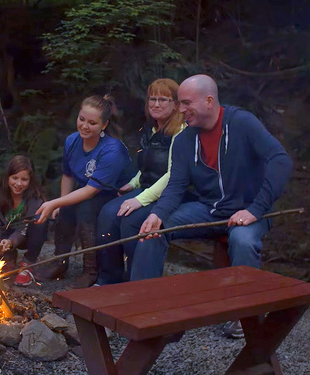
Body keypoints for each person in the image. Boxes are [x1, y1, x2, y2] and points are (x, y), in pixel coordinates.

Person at [132, 74, 293, 338]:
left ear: (209, 101)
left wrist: (255, 209)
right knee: (152, 231)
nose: (181, 110)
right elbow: (176, 184)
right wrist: (157, 213)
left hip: (252, 209)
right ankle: (145, 307)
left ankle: (244, 316)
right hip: (209, 208)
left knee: (243, 241)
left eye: (186, 103)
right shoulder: (185, 140)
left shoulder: (242, 123)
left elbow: (280, 160)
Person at [35, 94, 135, 288]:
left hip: (116, 194)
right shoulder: (72, 141)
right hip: (90, 190)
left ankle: (90, 269)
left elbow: (91, 191)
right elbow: (68, 175)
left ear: (104, 125)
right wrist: (60, 202)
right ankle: (60, 262)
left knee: (85, 208)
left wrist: (55, 202)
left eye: (92, 123)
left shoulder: (112, 150)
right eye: (81, 119)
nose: (84, 126)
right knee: (66, 208)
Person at [96, 78, 188, 285]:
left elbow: (174, 175)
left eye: (163, 99)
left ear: (175, 104)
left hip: (171, 195)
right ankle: (108, 278)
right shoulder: (152, 130)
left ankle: (136, 281)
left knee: (132, 219)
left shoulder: (181, 132)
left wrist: (140, 199)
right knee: (108, 213)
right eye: (152, 99)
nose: (155, 104)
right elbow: (148, 166)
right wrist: (133, 183)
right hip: (147, 189)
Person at [0, 155, 48, 286]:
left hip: (26, 235)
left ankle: (28, 263)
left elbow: (23, 228)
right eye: (14, 178)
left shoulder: (36, 199)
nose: (19, 184)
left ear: (30, 180)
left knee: (40, 220)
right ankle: (7, 256)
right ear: (7, 177)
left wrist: (11, 241)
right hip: (5, 233)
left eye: (24, 179)